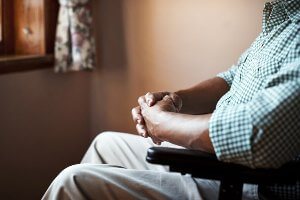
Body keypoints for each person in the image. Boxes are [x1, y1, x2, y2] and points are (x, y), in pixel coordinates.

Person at [43, 0, 300, 199]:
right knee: (105, 144)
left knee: (73, 181)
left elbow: (258, 134)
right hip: (226, 164)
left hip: (252, 184)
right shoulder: (284, 18)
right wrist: (174, 100)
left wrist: (163, 123)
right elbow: (233, 79)